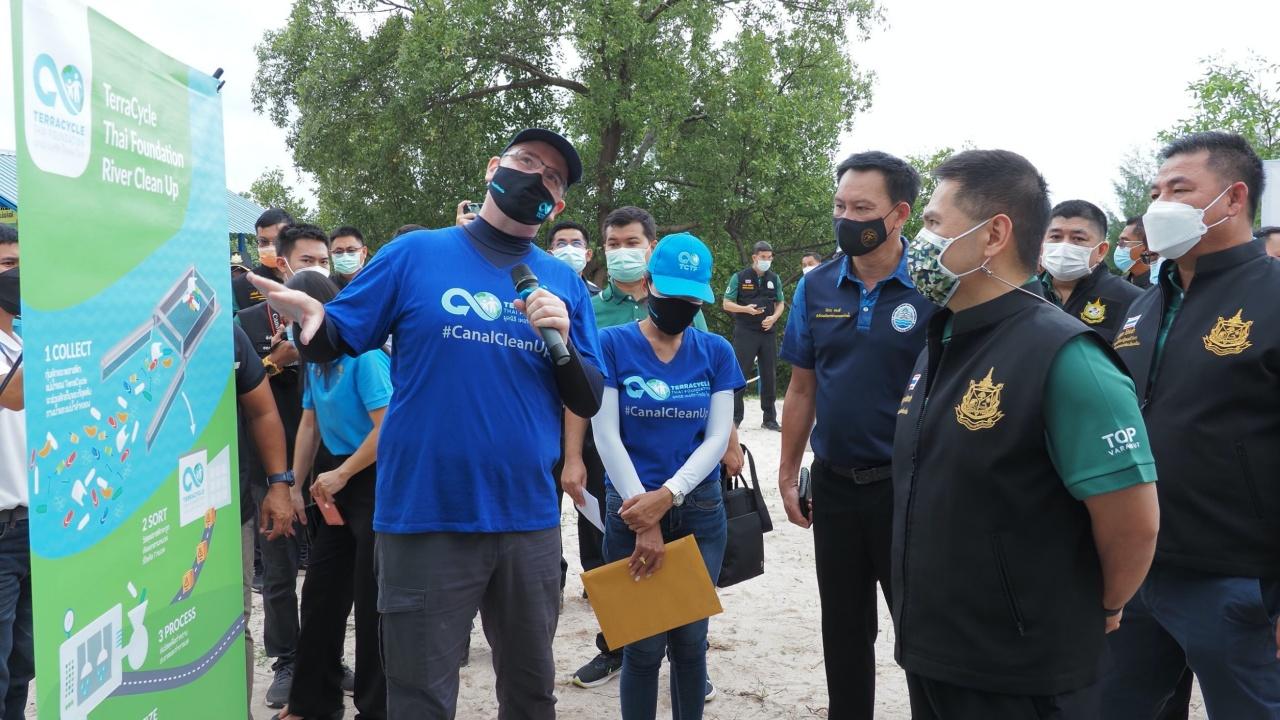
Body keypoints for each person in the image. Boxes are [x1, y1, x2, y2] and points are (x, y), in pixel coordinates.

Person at [249, 128, 603, 719]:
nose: (536, 177)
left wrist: (561, 337)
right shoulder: (415, 254)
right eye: (526, 161)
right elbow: (338, 333)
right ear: (493, 167)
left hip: (527, 521)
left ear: (557, 203)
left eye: (551, 177)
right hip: (424, 519)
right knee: (417, 699)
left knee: (532, 696)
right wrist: (310, 321)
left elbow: (587, 396)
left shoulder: (563, 284)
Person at [892, 149, 1160, 719]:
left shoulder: (1065, 356)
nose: (920, 241)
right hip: (938, 653)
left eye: (934, 222)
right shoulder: (944, 339)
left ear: (994, 235)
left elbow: (1134, 522)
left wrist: (1105, 605)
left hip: (1024, 672)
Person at [1102, 131, 1280, 720]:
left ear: (1234, 198)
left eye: (1179, 190)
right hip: (1137, 571)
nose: (1160, 205)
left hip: (1239, 582)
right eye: (1156, 192)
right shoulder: (1145, 304)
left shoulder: (1273, 295)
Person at [778, 150, 933, 720]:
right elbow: (802, 388)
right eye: (839, 205)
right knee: (844, 630)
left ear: (899, 214)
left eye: (861, 208)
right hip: (836, 487)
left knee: (922, 631)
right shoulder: (816, 286)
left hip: (910, 489)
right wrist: (788, 472)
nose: (846, 218)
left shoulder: (936, 285)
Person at [565, 207, 740, 697]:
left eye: (690, 298)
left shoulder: (716, 351)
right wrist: (644, 516)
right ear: (648, 284)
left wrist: (668, 496)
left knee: (691, 645)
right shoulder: (610, 344)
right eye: (670, 294)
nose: (679, 306)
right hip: (629, 505)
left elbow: (716, 436)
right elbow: (606, 434)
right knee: (640, 648)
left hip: (699, 508)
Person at [273, 271, 390, 720]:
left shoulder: (365, 357)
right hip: (335, 484)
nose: (290, 328)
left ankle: (375, 708)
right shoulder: (314, 360)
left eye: (295, 316)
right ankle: (312, 702)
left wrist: (342, 473)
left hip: (374, 479)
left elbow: (388, 429)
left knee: (371, 600)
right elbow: (309, 424)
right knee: (320, 594)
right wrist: (293, 486)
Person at [238, 223, 339, 709]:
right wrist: (276, 360)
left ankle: (328, 658)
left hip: (333, 468)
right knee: (278, 572)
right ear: (282, 265)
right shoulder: (248, 322)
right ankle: (287, 661)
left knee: (330, 572)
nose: (317, 269)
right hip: (272, 471)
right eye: (307, 261)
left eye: (324, 260)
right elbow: (243, 393)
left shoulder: (341, 316)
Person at [232, 320, 295, 719]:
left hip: (227, 509)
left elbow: (262, 409)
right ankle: (286, 660)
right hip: (144, 519)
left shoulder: (222, 331)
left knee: (232, 622)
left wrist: (280, 483)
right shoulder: (249, 321)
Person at [0, 234, 32, 720]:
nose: (19, 275)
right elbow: (12, 395)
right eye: (8, 264)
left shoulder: (19, 341)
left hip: (33, 526)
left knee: (23, 665)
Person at [1039, 200, 1141, 341]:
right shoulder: (1024, 292)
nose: (1064, 246)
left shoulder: (1134, 300)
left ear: (1101, 251)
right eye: (1056, 237)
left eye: (1078, 238)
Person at [723, 241, 785, 430]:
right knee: (739, 373)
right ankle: (735, 417)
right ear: (754, 257)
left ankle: (769, 419)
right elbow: (726, 303)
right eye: (763, 257)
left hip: (767, 332)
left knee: (769, 374)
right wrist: (746, 309)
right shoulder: (739, 277)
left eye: (769, 257)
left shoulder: (774, 278)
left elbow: (780, 303)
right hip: (746, 331)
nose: (766, 260)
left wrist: (773, 318)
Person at [233, 208, 295, 311]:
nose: (271, 247)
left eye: (278, 241)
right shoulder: (240, 285)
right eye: (263, 241)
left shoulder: (310, 280)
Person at [547, 220, 600, 295]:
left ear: (588, 255)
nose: (569, 249)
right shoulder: (537, 291)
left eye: (576, 243)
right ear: (550, 255)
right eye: (561, 244)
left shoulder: (598, 295)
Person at [1116, 216, 1156, 289]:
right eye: (1119, 242)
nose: (1118, 246)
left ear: (1145, 248)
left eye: (1123, 242)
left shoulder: (1158, 286)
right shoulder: (1120, 284)